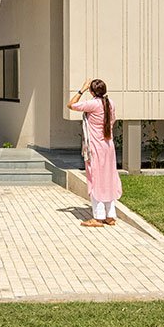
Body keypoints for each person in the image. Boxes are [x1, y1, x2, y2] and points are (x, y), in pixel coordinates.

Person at [68, 77, 122, 227]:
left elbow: (71, 105)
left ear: (92, 91)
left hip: (95, 148)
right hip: (108, 146)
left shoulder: (92, 104)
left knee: (96, 179)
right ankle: (110, 215)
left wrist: (81, 89)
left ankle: (98, 217)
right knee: (109, 178)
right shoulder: (111, 104)